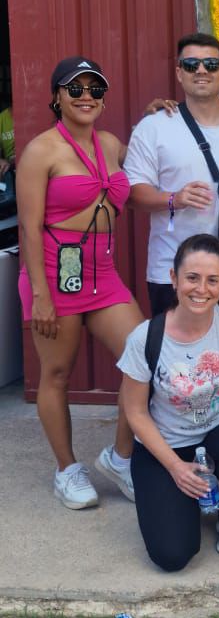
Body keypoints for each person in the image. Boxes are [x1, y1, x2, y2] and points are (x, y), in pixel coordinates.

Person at [16, 56, 142, 508]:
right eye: (75, 89)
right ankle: (67, 470)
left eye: (95, 89)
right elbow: (29, 228)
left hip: (102, 274)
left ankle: (120, 458)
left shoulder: (109, 144)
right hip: (54, 273)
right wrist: (40, 295)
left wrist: (160, 113)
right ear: (57, 97)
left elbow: (145, 148)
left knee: (143, 356)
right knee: (56, 373)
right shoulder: (41, 151)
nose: (86, 96)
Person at [118, 234, 219, 571]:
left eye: (213, 280)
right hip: (167, 447)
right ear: (173, 278)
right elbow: (135, 412)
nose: (202, 289)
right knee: (172, 556)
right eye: (192, 277)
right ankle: (184, 498)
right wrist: (176, 467)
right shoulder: (146, 338)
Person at [124, 32, 219, 314]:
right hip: (173, 270)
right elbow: (132, 193)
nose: (201, 70)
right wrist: (174, 199)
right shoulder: (154, 126)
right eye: (191, 64)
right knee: (175, 343)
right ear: (179, 73)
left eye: (211, 64)